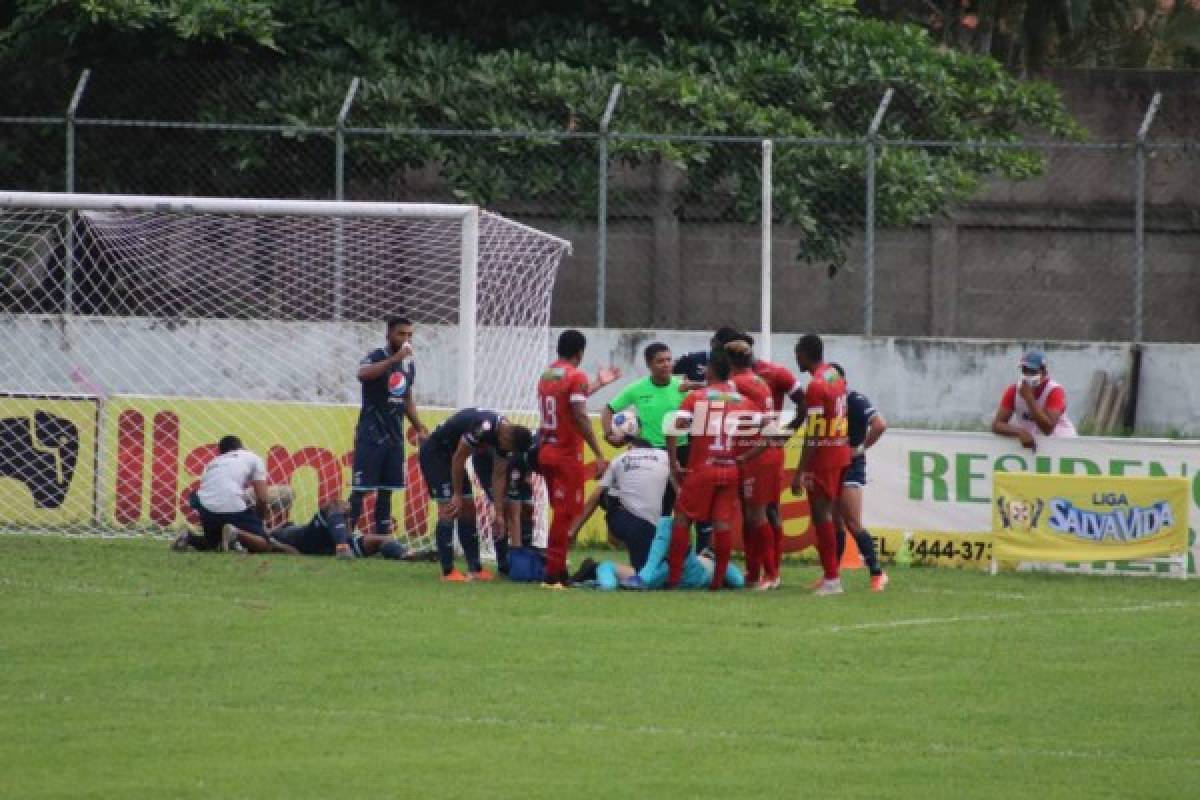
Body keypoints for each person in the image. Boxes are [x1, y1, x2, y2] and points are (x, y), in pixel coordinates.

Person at [665, 347, 756, 589]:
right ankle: (717, 582)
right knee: (722, 523)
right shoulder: (743, 401)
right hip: (730, 468)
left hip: (702, 467)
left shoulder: (698, 397)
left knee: (682, 519)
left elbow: (674, 426)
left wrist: (674, 460)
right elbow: (769, 434)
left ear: (712, 371)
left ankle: (674, 579)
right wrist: (745, 457)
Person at [419, 407, 533, 581]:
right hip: (436, 454)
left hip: (451, 458)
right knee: (450, 507)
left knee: (469, 508)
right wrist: (456, 494)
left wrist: (499, 512)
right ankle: (448, 571)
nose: (508, 452)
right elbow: (459, 458)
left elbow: (499, 475)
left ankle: (475, 568)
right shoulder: (483, 428)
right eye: (509, 448)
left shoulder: (505, 435)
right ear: (507, 438)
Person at [537, 329, 611, 587]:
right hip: (565, 455)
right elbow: (579, 414)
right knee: (565, 515)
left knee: (561, 512)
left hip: (546, 451)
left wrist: (598, 385)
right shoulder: (576, 375)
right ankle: (553, 574)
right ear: (581, 352)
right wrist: (599, 452)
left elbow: (566, 401)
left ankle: (557, 570)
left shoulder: (548, 373)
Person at [349, 316, 430, 550]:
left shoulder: (408, 366)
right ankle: (344, 537)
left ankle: (381, 540)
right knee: (361, 490)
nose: (406, 339)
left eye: (409, 335)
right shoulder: (377, 357)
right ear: (389, 335)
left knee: (387, 491)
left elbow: (406, 398)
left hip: (395, 436)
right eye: (401, 334)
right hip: (371, 435)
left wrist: (418, 425)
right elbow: (363, 375)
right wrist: (395, 358)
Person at [787, 334, 852, 596]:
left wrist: (799, 472)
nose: (796, 359)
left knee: (821, 515)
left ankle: (832, 579)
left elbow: (813, 434)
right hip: (841, 450)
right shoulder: (835, 377)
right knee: (831, 516)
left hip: (824, 456)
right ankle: (831, 575)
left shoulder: (815, 386)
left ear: (803, 354)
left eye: (797, 354)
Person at [566, 415, 670, 572]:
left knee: (642, 573)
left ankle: (595, 567)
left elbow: (596, 497)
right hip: (658, 526)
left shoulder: (619, 460)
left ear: (630, 447)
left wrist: (573, 531)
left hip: (627, 524)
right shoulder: (665, 457)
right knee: (653, 570)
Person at [724, 339, 783, 590]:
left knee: (757, 515)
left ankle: (770, 574)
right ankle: (754, 572)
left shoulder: (738, 383)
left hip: (757, 455)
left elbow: (716, 398)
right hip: (764, 452)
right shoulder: (759, 381)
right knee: (753, 516)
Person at [830, 363, 888, 592]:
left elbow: (880, 424)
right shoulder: (829, 403)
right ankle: (831, 575)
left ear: (843, 381)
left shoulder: (855, 399)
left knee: (852, 522)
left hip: (850, 465)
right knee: (835, 522)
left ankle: (877, 572)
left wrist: (860, 448)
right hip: (832, 464)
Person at [172, 435, 270, 552]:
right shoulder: (253, 458)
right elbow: (262, 498)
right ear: (241, 447)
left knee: (214, 544)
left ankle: (188, 537)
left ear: (221, 452)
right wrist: (261, 519)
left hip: (205, 507)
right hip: (230, 505)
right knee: (264, 544)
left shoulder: (212, 463)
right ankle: (236, 533)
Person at [470, 437, 538, 575]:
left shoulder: (531, 450)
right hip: (490, 467)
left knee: (526, 509)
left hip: (516, 467)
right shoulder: (485, 455)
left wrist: (527, 477)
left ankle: (524, 555)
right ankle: (506, 562)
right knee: (504, 511)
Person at [992, 350, 1077, 450]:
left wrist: (1029, 398)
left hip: (1061, 443)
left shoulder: (1054, 391)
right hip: (1033, 443)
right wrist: (1019, 432)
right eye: (1024, 370)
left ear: (1044, 372)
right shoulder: (1013, 390)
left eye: (1032, 371)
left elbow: (1047, 429)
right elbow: (997, 425)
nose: (1027, 374)